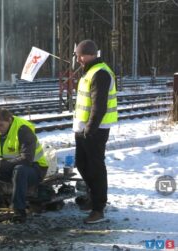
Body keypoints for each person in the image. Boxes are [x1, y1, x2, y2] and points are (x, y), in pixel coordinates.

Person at [0, 109, 48, 223]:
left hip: (35, 169)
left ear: (9, 120)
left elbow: (26, 159)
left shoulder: (23, 131)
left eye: (1, 125)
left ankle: (19, 211)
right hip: (10, 167)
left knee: (19, 170)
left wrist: (1, 164)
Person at [73, 40, 117, 224]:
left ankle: (99, 208)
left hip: (95, 130)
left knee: (96, 167)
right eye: (77, 56)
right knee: (82, 164)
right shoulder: (89, 71)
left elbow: (99, 106)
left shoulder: (100, 73)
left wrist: (90, 128)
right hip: (84, 128)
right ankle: (94, 198)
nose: (78, 59)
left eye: (80, 55)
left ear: (91, 54)